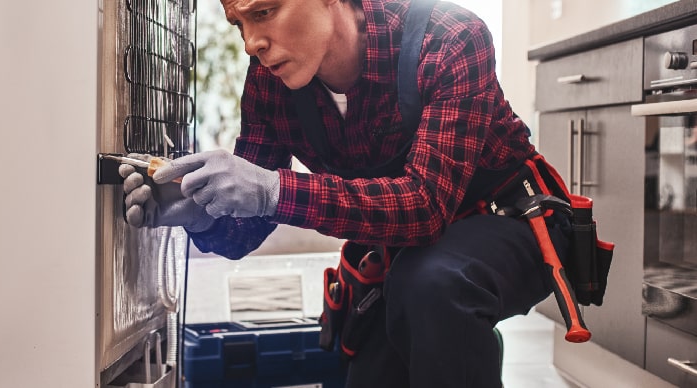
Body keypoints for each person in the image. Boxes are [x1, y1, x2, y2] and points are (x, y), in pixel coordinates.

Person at [119, 0, 576, 386]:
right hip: (402, 255)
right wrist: (203, 216)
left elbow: (425, 207)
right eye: (240, 23)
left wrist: (274, 190)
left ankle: (457, 333)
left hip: (507, 219)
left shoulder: (450, 38)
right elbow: (246, 228)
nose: (250, 43)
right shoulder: (269, 82)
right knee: (374, 367)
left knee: (433, 286)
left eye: (265, 11)